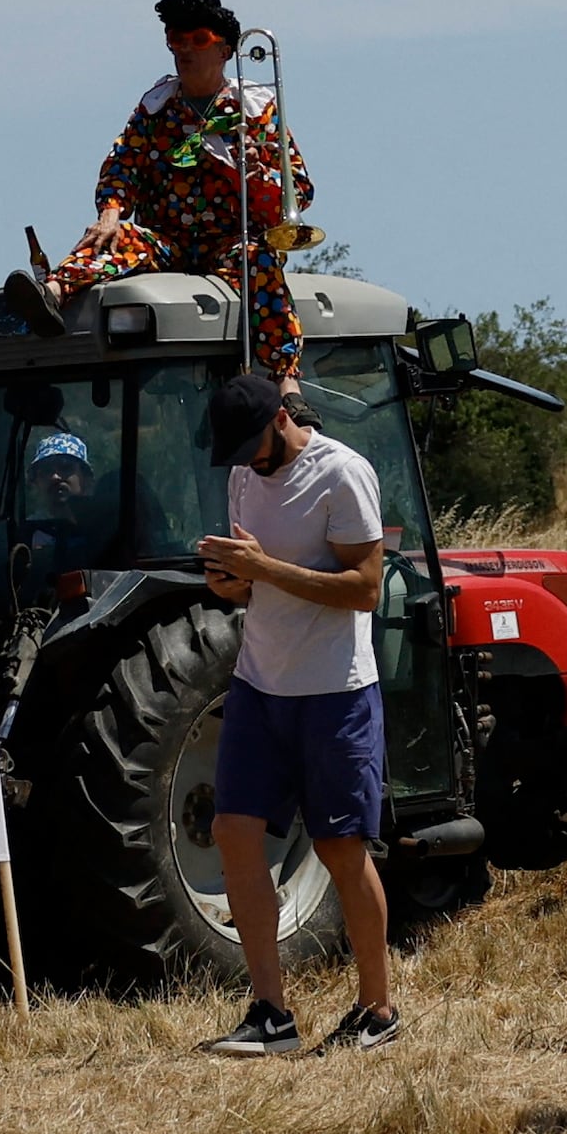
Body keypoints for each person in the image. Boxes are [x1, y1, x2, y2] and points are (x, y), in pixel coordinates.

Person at [193, 372, 397, 1057]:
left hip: (335, 690)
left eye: (251, 443)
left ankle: (378, 1009)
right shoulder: (244, 477)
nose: (244, 461)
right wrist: (233, 582)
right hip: (259, 683)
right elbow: (256, 584)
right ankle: (270, 1013)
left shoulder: (344, 473)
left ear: (281, 419)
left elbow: (365, 589)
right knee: (232, 830)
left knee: (342, 847)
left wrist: (264, 568)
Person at [11, 0, 319, 382]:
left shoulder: (256, 111)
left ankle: (285, 382)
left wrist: (258, 175)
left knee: (258, 260)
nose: (185, 50)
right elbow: (122, 167)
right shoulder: (156, 107)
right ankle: (51, 295)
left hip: (230, 240)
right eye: (177, 40)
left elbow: (298, 189)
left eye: (198, 40)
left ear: (224, 50)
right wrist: (110, 213)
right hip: (166, 239)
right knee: (113, 237)